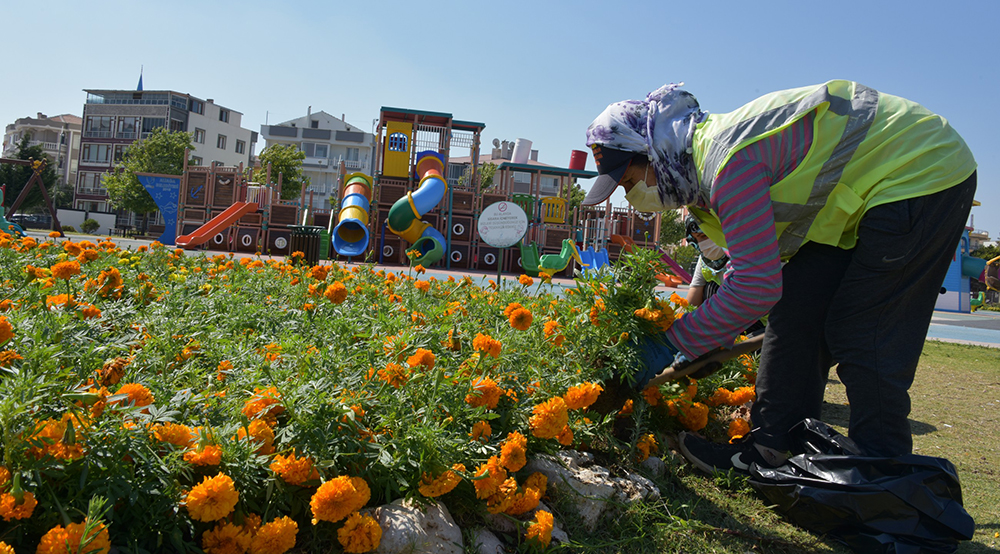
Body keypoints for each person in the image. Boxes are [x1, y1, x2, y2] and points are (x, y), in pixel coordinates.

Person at [583, 80, 977, 473]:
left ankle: (880, 476)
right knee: (796, 312)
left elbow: (757, 287)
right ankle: (772, 449)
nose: (629, 193)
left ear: (654, 151)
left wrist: (671, 343)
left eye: (629, 180)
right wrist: (705, 339)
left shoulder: (726, 163)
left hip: (921, 169)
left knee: (863, 330)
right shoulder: (700, 180)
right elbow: (753, 269)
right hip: (860, 203)